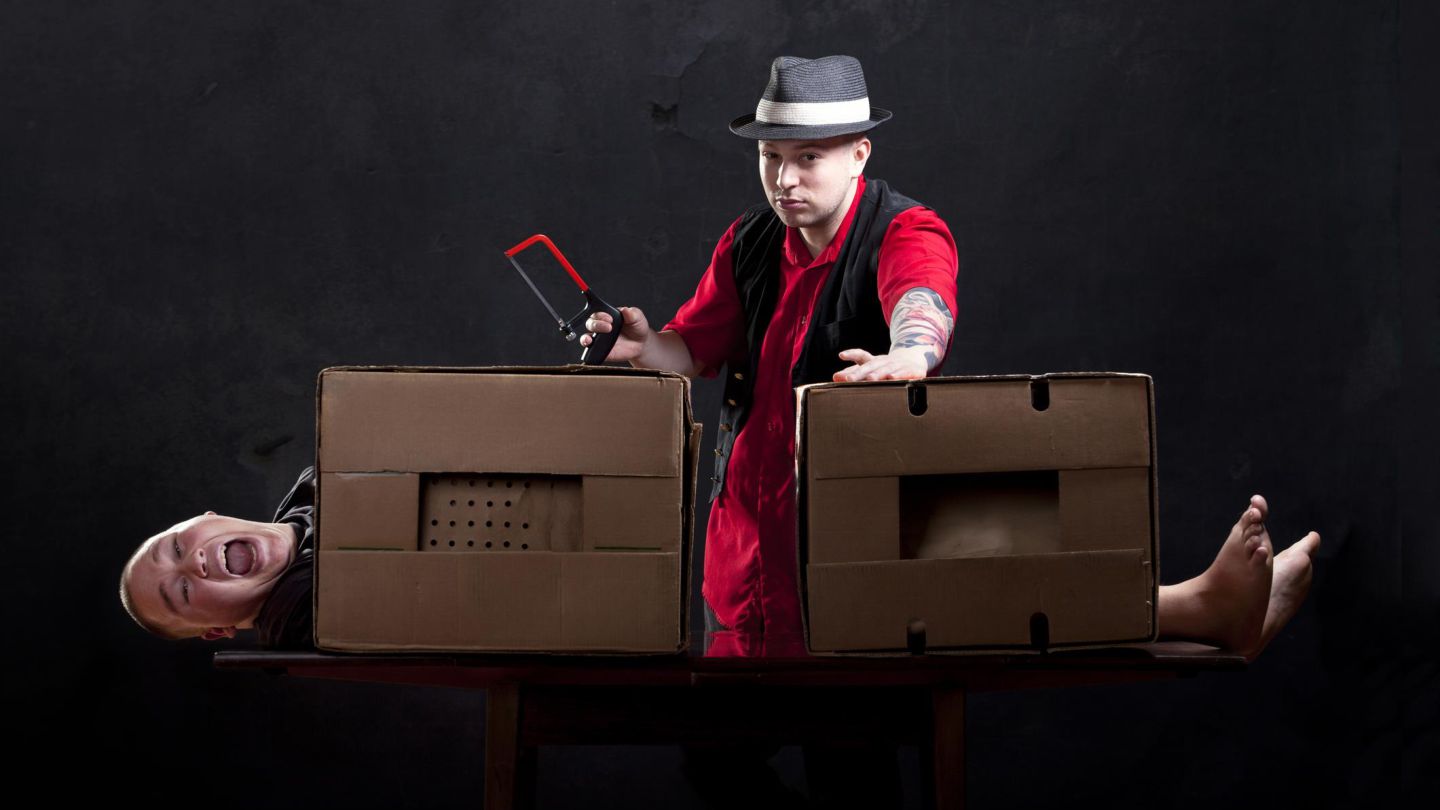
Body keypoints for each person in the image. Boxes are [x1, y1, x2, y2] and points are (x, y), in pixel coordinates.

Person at [579, 54, 1321, 662]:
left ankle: (1208, 608)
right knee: (719, 761)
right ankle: (1210, 608)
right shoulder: (747, 243)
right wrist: (644, 348)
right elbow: (691, 351)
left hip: (851, 549)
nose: (785, 179)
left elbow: (922, 298)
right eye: (771, 158)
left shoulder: (904, 229)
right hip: (744, 559)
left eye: (808, 158)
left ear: (859, 154)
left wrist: (911, 352)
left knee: (856, 757)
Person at [119, 466, 316, 649]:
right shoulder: (305, 619)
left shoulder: (313, 482)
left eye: (176, 548)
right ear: (218, 630)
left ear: (208, 517)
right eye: (184, 590)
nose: (195, 561)